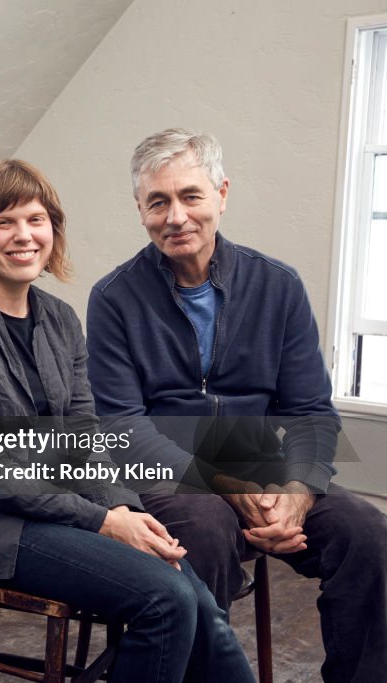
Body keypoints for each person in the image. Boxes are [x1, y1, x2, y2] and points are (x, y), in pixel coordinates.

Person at [0, 159, 254, 682]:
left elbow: (83, 439)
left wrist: (122, 509)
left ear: (53, 229)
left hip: (57, 511)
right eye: (4, 222)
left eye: (36, 219)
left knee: (192, 591)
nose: (23, 236)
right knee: (166, 597)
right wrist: (102, 521)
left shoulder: (60, 319)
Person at [87, 127, 387, 682]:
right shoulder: (113, 298)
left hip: (265, 471)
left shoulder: (279, 286)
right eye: (158, 202)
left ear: (222, 194)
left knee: (367, 533)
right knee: (201, 529)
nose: (176, 216)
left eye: (190, 196)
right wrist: (227, 487)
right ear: (140, 210)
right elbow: (121, 427)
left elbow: (311, 412)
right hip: (169, 477)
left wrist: (297, 493)